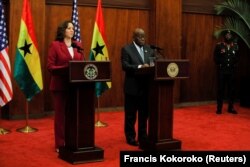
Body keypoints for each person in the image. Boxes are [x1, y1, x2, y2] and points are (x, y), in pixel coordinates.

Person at [47, 20, 84, 152]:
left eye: (73, 28)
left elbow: (82, 64)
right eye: (69, 28)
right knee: (60, 116)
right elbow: (50, 67)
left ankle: (72, 140)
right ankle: (60, 143)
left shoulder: (77, 45)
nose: (72, 30)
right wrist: (67, 68)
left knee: (73, 115)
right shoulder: (55, 45)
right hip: (60, 86)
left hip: (75, 87)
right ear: (63, 30)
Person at [121, 28, 154, 146]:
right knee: (131, 115)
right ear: (134, 37)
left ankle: (143, 136)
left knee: (144, 114)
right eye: (140, 37)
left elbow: (153, 63)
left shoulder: (149, 49)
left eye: (144, 36)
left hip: (145, 88)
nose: (143, 39)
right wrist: (140, 67)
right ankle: (130, 137)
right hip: (132, 87)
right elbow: (125, 66)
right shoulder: (126, 49)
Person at [214, 30, 239, 114]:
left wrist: (234, 64)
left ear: (231, 36)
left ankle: (230, 108)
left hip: (231, 71)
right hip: (222, 71)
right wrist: (220, 63)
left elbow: (238, 57)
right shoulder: (219, 46)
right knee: (220, 90)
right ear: (224, 36)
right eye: (227, 35)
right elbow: (215, 57)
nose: (228, 36)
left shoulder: (235, 46)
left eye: (229, 35)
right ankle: (219, 108)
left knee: (231, 90)